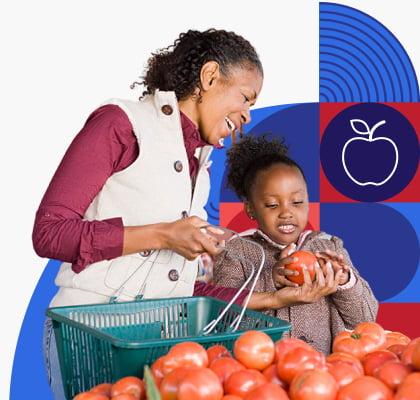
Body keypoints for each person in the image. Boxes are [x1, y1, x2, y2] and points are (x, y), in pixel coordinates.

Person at [33, 29, 287, 399]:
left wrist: (272, 299)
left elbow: (175, 288)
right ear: (210, 77)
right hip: (87, 338)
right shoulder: (120, 124)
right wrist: (164, 234)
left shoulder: (199, 163)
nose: (248, 114)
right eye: (246, 97)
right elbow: (50, 232)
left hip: (156, 342)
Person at [213, 135, 379, 354]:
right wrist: (270, 279)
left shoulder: (328, 247)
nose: (286, 212)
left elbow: (366, 318)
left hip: (322, 374)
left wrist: (344, 281)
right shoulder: (236, 253)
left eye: (297, 202)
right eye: (272, 204)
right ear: (250, 209)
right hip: (263, 375)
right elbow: (224, 319)